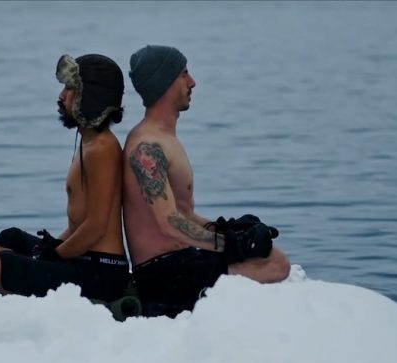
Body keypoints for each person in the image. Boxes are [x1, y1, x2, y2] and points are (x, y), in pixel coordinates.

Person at [123, 45, 291, 318]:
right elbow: (169, 224)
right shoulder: (147, 146)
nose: (193, 82)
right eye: (184, 74)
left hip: (178, 261)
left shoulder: (163, 137)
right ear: (164, 82)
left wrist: (229, 232)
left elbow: (184, 214)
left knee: (270, 256)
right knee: (276, 264)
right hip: (164, 274)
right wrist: (233, 246)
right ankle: (199, 301)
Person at [0, 53, 130, 304]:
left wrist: (53, 257)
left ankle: (41, 311)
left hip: (101, 271)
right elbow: (77, 225)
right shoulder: (88, 143)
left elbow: (96, 227)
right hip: (83, 258)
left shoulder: (103, 148)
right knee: (11, 239)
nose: (62, 96)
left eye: (70, 89)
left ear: (90, 97)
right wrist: (50, 248)